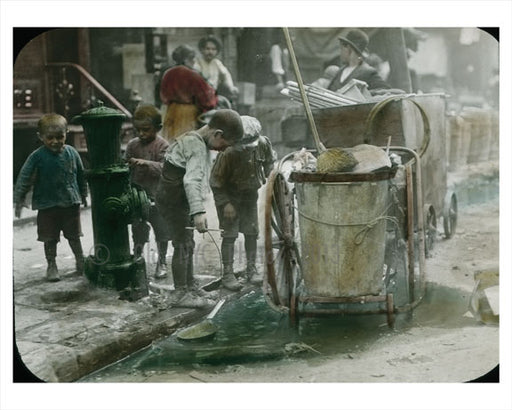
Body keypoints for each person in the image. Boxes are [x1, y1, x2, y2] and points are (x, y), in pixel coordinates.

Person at [155, 109, 244, 308]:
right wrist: (198, 212)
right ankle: (181, 293)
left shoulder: (192, 137)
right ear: (217, 134)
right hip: (174, 200)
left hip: (175, 197)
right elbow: (191, 180)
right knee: (182, 244)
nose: (222, 150)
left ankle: (190, 285)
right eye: (224, 145)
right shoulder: (196, 145)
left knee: (188, 243)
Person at [14, 113, 87, 282]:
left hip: (70, 203)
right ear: (40, 137)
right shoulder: (37, 156)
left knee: (74, 235)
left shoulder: (72, 153)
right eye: (50, 138)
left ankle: (80, 260)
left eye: (59, 137)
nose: (55, 141)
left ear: (66, 133)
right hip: (47, 205)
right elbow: (24, 177)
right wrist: (19, 199)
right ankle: (51, 265)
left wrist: (83, 194)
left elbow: (81, 175)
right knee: (49, 237)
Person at [210, 116, 276, 289]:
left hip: (249, 194)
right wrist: (226, 204)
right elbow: (216, 183)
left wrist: (272, 179)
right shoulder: (228, 153)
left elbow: (269, 163)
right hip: (230, 196)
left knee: (251, 231)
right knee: (230, 234)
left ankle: (251, 269)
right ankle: (228, 274)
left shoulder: (263, 143)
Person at [124, 104, 170, 279]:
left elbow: (167, 169)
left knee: (162, 230)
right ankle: (137, 257)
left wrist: (145, 163)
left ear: (158, 128)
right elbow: (125, 167)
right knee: (138, 228)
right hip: (137, 196)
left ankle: (162, 261)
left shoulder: (163, 145)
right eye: (138, 130)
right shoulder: (132, 145)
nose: (141, 134)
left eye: (146, 130)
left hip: (158, 196)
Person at [159, 45, 218, 141]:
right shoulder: (192, 75)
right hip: (188, 115)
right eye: (192, 58)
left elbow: (162, 94)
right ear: (186, 59)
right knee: (187, 143)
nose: (194, 61)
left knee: (172, 143)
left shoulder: (168, 73)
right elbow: (207, 99)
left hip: (170, 112)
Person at [327, 29, 391, 94]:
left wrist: (364, 93)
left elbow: (385, 91)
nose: (340, 53)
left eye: (341, 49)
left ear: (349, 49)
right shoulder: (340, 71)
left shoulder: (368, 72)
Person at [195, 34, 239, 100]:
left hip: (213, 94)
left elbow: (226, 75)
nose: (210, 52)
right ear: (202, 50)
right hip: (200, 95)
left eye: (213, 49)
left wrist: (231, 87)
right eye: (207, 49)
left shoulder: (217, 63)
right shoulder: (197, 63)